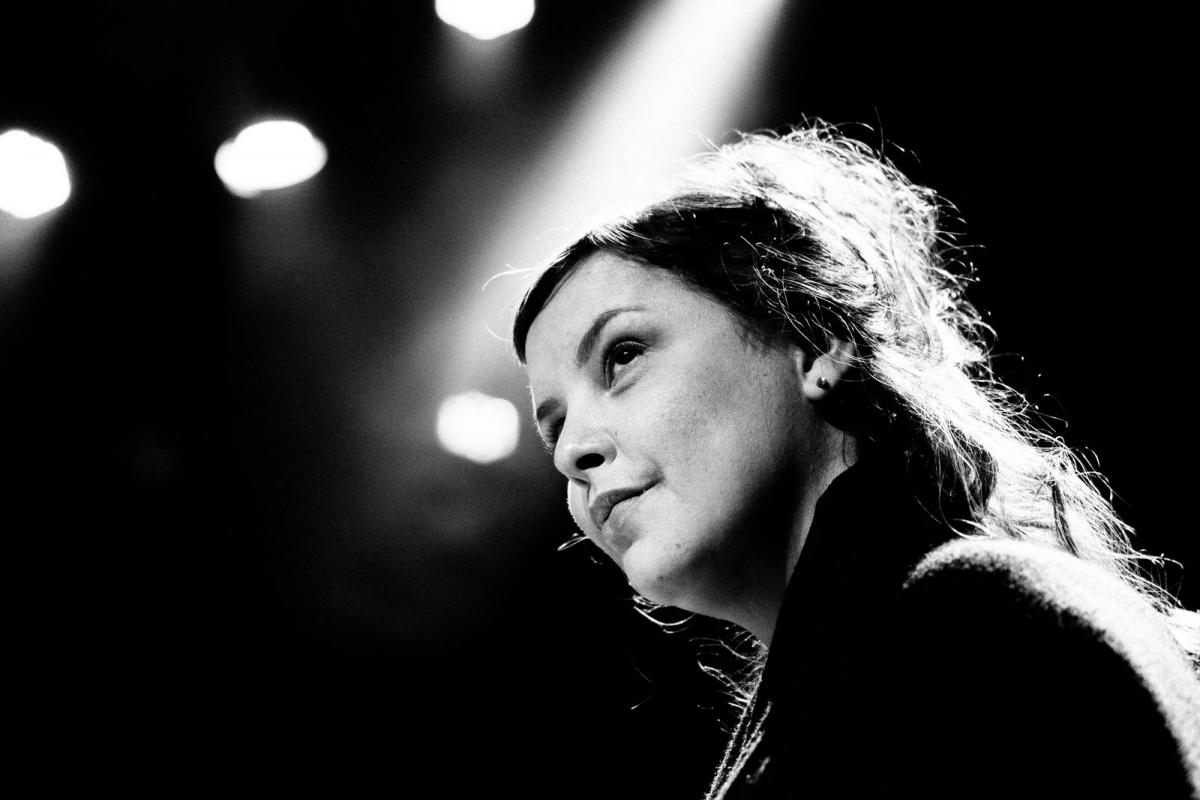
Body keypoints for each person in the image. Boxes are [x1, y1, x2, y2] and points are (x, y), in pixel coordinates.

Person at [511, 123, 1200, 799]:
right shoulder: (864, 683)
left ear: (816, 340)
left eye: (623, 356)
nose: (572, 451)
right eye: (555, 426)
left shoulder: (981, 629)